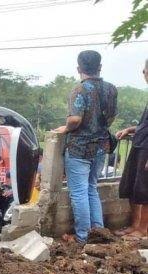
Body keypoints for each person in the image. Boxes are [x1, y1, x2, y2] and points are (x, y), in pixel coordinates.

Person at [54, 50, 117, 243]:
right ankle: (99, 232)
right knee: (91, 188)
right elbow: (112, 116)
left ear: (79, 68)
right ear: (99, 67)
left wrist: (65, 128)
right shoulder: (111, 89)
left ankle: (83, 237)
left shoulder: (80, 89)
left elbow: (75, 119)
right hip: (101, 147)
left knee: (79, 192)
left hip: (79, 148)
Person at [115, 59, 148, 238]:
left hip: (147, 149)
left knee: (144, 189)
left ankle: (143, 229)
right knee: (131, 186)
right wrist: (129, 129)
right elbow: (145, 125)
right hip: (139, 144)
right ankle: (135, 225)